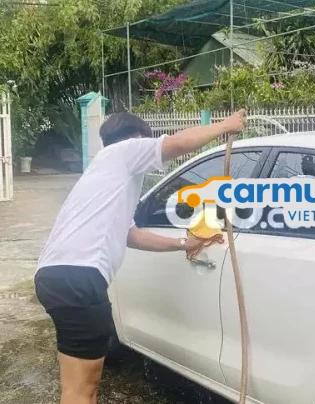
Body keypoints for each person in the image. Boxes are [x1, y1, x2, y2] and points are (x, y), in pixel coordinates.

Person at [34, 109, 247, 404]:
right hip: (80, 278)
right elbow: (176, 144)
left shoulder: (107, 173)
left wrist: (184, 243)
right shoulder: (123, 152)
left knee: (74, 388)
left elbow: (131, 235)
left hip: (54, 276)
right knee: (83, 390)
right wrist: (225, 126)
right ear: (135, 138)